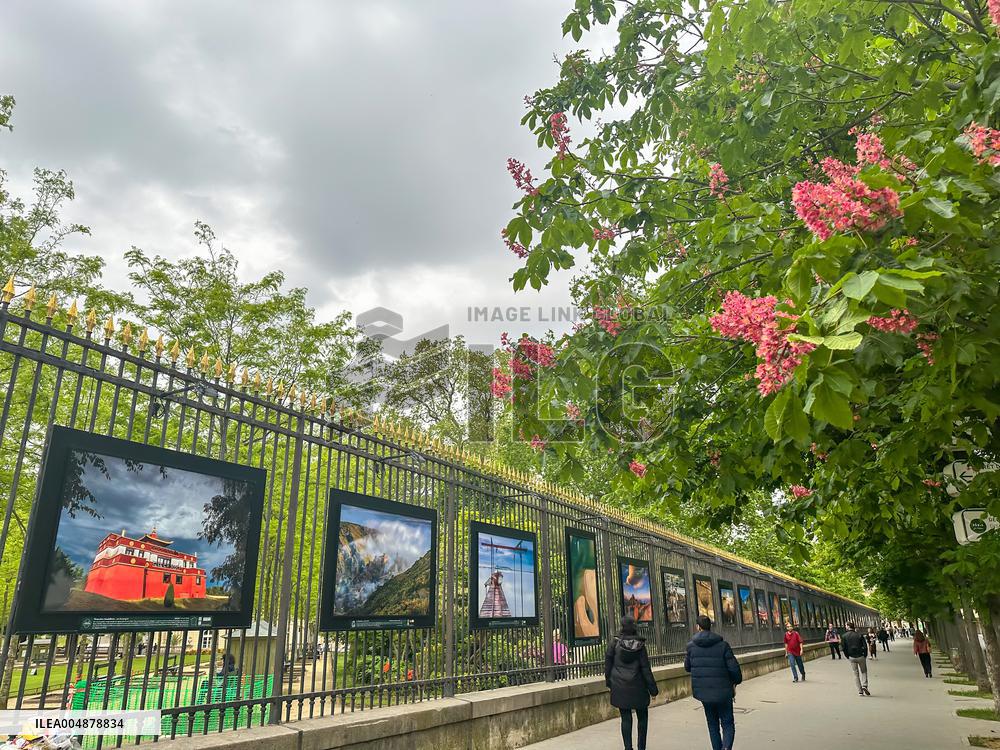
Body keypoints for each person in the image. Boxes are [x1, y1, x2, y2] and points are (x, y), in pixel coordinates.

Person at [685, 615, 743, 750]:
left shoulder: (691, 646)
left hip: (704, 693)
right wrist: (736, 682)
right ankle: (726, 747)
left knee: (712, 725)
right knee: (727, 723)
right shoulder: (723, 645)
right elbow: (734, 669)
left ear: (698, 627)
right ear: (710, 626)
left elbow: (687, 667)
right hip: (723, 692)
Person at [605, 615, 658, 750]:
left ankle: (628, 747)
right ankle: (641, 747)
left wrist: (609, 684)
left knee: (626, 719)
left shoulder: (614, 644)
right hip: (638, 687)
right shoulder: (640, 645)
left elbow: (608, 666)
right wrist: (653, 690)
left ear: (622, 626)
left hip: (620, 686)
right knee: (643, 718)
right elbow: (646, 669)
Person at [842, 622, 871, 696]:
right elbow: (865, 646)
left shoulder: (844, 636)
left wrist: (847, 656)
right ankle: (864, 685)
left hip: (852, 657)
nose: (845, 627)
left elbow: (844, 648)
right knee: (864, 671)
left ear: (848, 626)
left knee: (856, 674)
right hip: (861, 656)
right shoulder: (859, 635)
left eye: (846, 625)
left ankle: (860, 691)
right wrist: (865, 655)